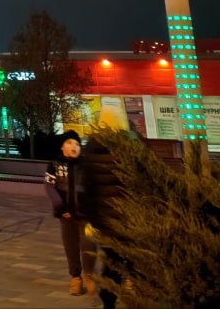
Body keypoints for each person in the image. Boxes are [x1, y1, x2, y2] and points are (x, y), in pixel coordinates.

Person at [45, 130, 96, 296]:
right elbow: (50, 187)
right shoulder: (54, 165)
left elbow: (93, 189)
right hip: (66, 215)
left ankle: (89, 275)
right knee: (71, 246)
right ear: (62, 147)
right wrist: (61, 208)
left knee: (89, 244)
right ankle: (76, 278)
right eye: (69, 143)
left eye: (77, 144)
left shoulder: (87, 166)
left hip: (85, 214)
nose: (74, 146)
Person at [83, 132, 129, 309]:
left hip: (106, 219)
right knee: (126, 261)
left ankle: (109, 296)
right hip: (126, 217)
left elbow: (88, 189)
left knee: (113, 260)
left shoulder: (91, 150)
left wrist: (93, 219)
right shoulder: (127, 148)